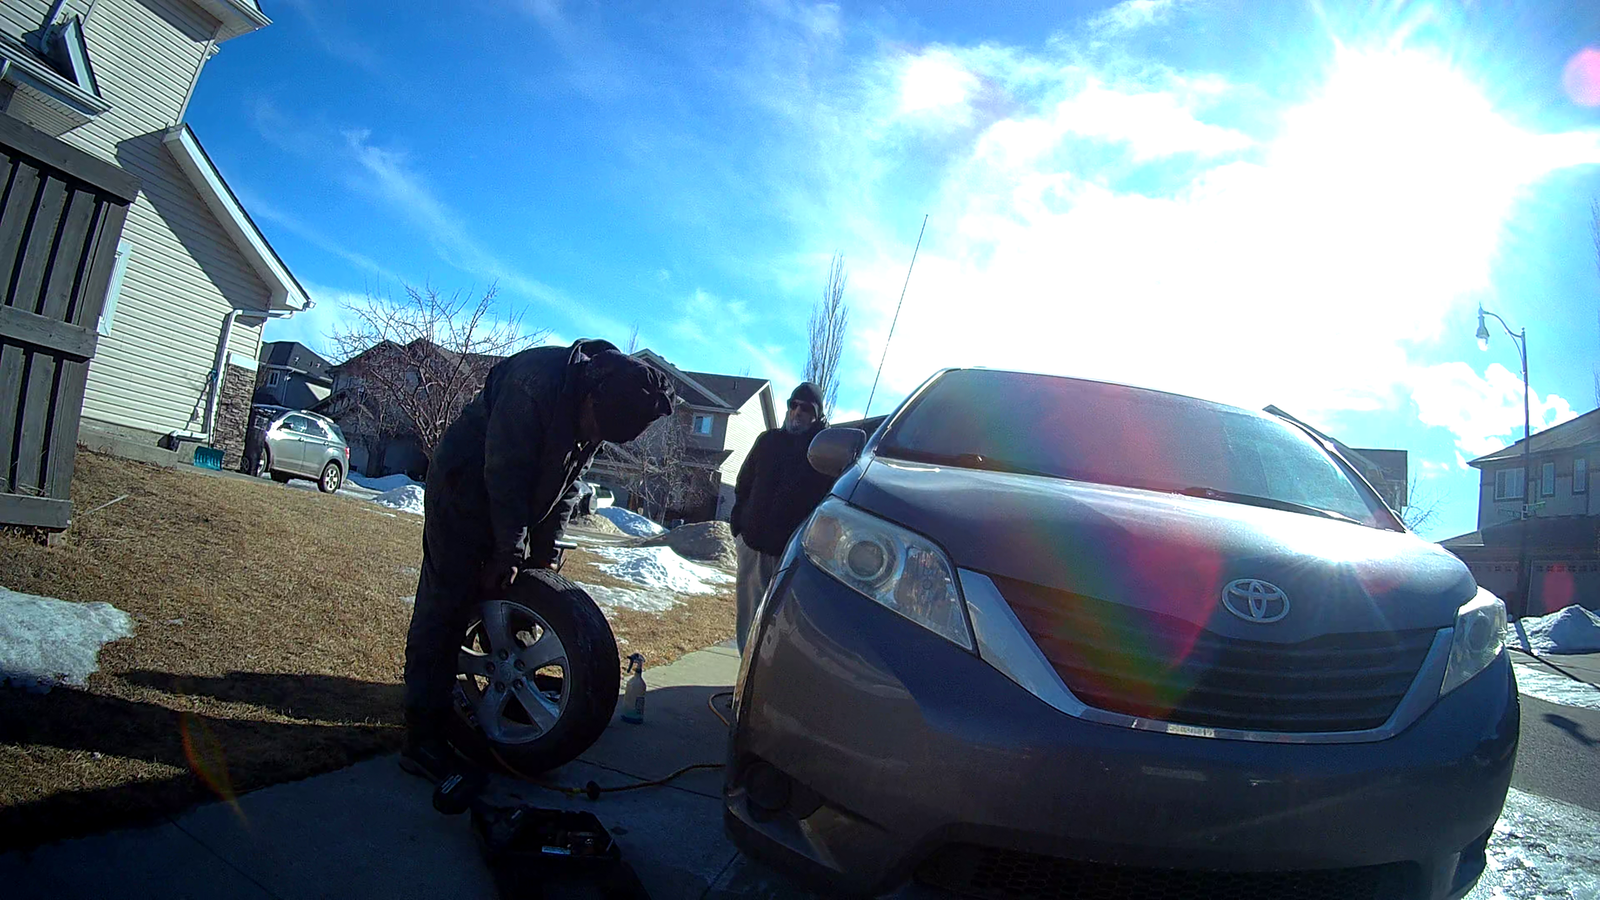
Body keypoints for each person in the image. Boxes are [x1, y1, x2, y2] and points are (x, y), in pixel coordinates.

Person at [401, 339, 674, 782]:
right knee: (447, 601)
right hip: (465, 487)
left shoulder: (599, 405)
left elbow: (568, 483)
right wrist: (510, 549)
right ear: (590, 394)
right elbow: (504, 471)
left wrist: (543, 554)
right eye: (596, 427)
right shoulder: (535, 383)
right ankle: (422, 734)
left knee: (517, 594)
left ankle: (503, 700)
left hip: (512, 500)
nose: (594, 438)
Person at [729, 382, 834, 652]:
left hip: (792, 557)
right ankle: (745, 681)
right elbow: (744, 484)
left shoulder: (825, 454)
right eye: (793, 404)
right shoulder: (768, 441)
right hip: (753, 547)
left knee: (785, 626)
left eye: (806, 408)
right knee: (749, 619)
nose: (797, 412)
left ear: (817, 415)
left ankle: (769, 683)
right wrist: (739, 528)